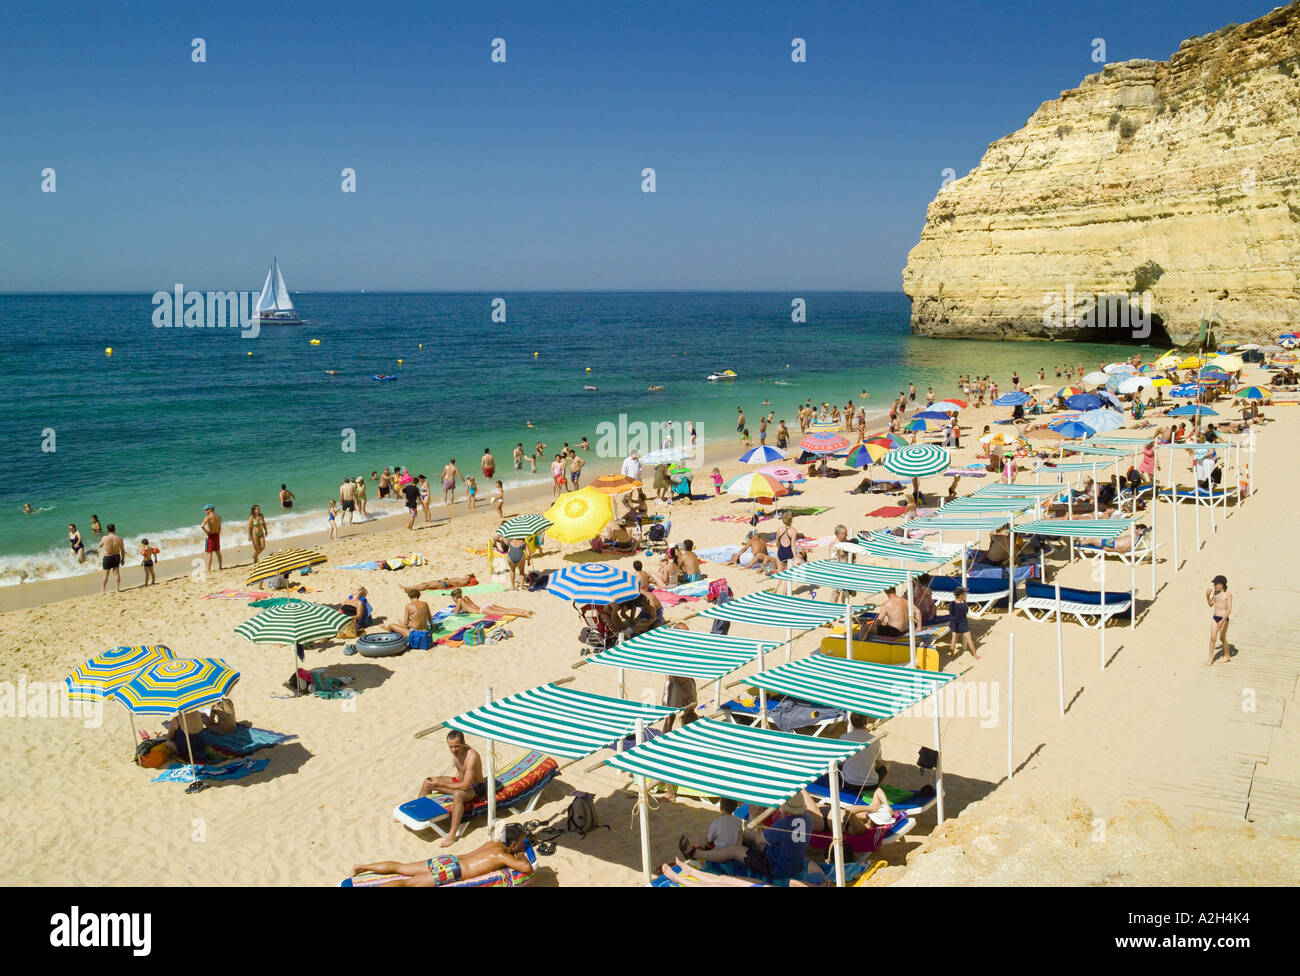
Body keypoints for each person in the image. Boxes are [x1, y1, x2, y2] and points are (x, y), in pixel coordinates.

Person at [350, 822, 534, 887]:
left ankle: (361, 867)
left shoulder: (492, 843)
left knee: (402, 867)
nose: (522, 845)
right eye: (520, 842)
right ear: (513, 843)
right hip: (453, 870)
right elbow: (526, 868)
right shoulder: (502, 856)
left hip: (449, 859)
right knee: (407, 884)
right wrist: (520, 855)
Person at [413, 730, 485, 846]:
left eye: (457, 746)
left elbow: (465, 786)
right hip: (460, 782)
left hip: (475, 789)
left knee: (457, 794)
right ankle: (416, 811)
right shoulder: (456, 751)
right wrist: (437, 782)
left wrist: (440, 784)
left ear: (464, 743)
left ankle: (452, 834)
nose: (453, 750)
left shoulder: (472, 757)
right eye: (450, 747)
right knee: (428, 782)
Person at [838, 713, 885, 792]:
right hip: (870, 784)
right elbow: (879, 765)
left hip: (848, 782)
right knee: (886, 766)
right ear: (866, 722)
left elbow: (841, 762)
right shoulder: (874, 740)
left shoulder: (843, 738)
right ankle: (876, 791)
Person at [450, 587, 535, 618]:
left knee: (506, 612)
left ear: (455, 597)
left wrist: (457, 607)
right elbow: (473, 606)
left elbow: (456, 613)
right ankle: (525, 610)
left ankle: (525, 614)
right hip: (486, 606)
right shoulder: (466, 597)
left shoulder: (459, 600)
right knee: (506, 609)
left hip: (482, 610)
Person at [1206, 575, 1232, 667]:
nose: (1214, 585)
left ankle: (1227, 655)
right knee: (1213, 638)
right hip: (1215, 617)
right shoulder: (1215, 593)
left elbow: (1229, 610)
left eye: (1216, 583)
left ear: (1221, 585)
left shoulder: (1228, 594)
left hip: (1224, 618)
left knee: (1222, 638)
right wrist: (1207, 596)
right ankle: (1210, 658)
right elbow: (1211, 604)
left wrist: (1222, 621)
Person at [949, 586, 977, 659]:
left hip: (954, 624)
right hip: (963, 624)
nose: (966, 595)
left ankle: (952, 655)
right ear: (961, 596)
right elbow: (966, 611)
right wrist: (965, 602)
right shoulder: (963, 606)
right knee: (969, 640)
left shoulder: (951, 604)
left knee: (953, 639)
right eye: (965, 594)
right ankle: (975, 655)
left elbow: (951, 612)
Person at [200, 505, 222, 571]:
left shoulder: (208, 518)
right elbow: (219, 527)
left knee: (209, 553)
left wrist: (207, 532)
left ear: (210, 509)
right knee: (218, 552)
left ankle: (208, 569)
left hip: (211, 536)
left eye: (206, 509)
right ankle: (220, 567)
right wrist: (218, 533)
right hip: (217, 535)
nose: (205, 511)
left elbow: (202, 526)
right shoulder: (218, 517)